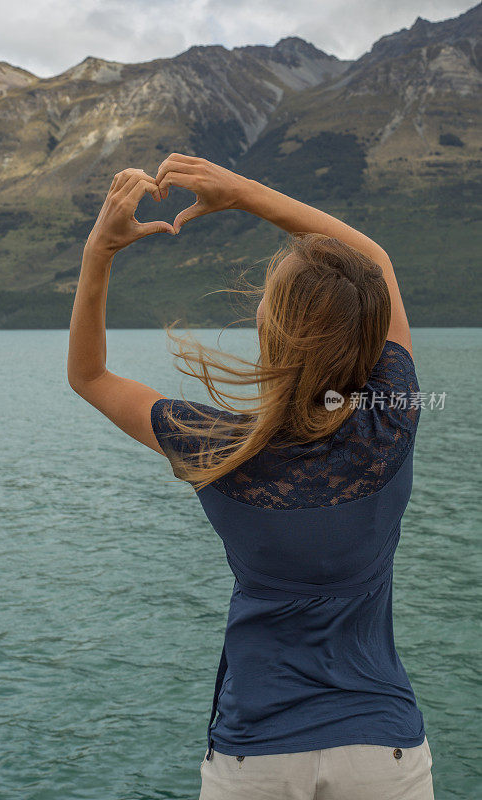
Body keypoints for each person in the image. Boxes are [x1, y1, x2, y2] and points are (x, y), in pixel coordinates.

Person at [67, 154, 435, 800]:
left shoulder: (221, 451)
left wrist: (100, 250)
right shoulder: (391, 425)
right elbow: (374, 262)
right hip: (384, 753)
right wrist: (243, 194)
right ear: (362, 342)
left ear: (272, 334)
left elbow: (89, 376)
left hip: (254, 762)